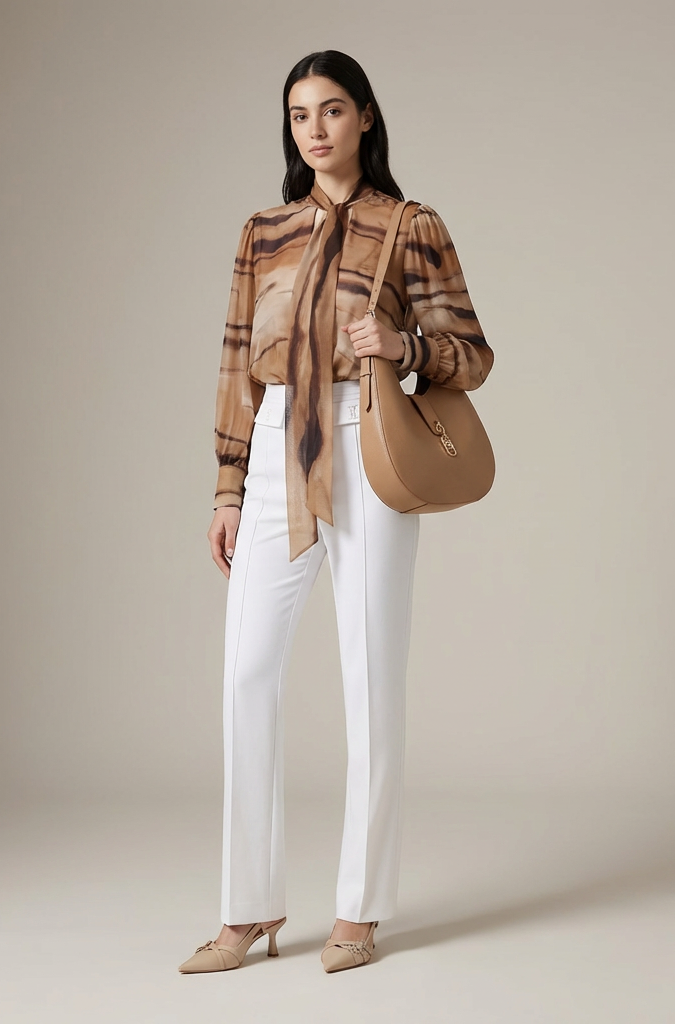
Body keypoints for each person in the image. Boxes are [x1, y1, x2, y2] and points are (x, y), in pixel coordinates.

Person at [178, 49, 493, 975]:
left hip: (367, 440)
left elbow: (472, 353)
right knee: (247, 674)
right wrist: (228, 487)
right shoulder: (263, 233)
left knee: (370, 679)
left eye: (331, 110)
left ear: (364, 117)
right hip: (278, 442)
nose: (314, 129)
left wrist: (404, 345)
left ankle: (360, 909)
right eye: (299, 114)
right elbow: (237, 365)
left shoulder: (411, 225)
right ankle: (248, 910)